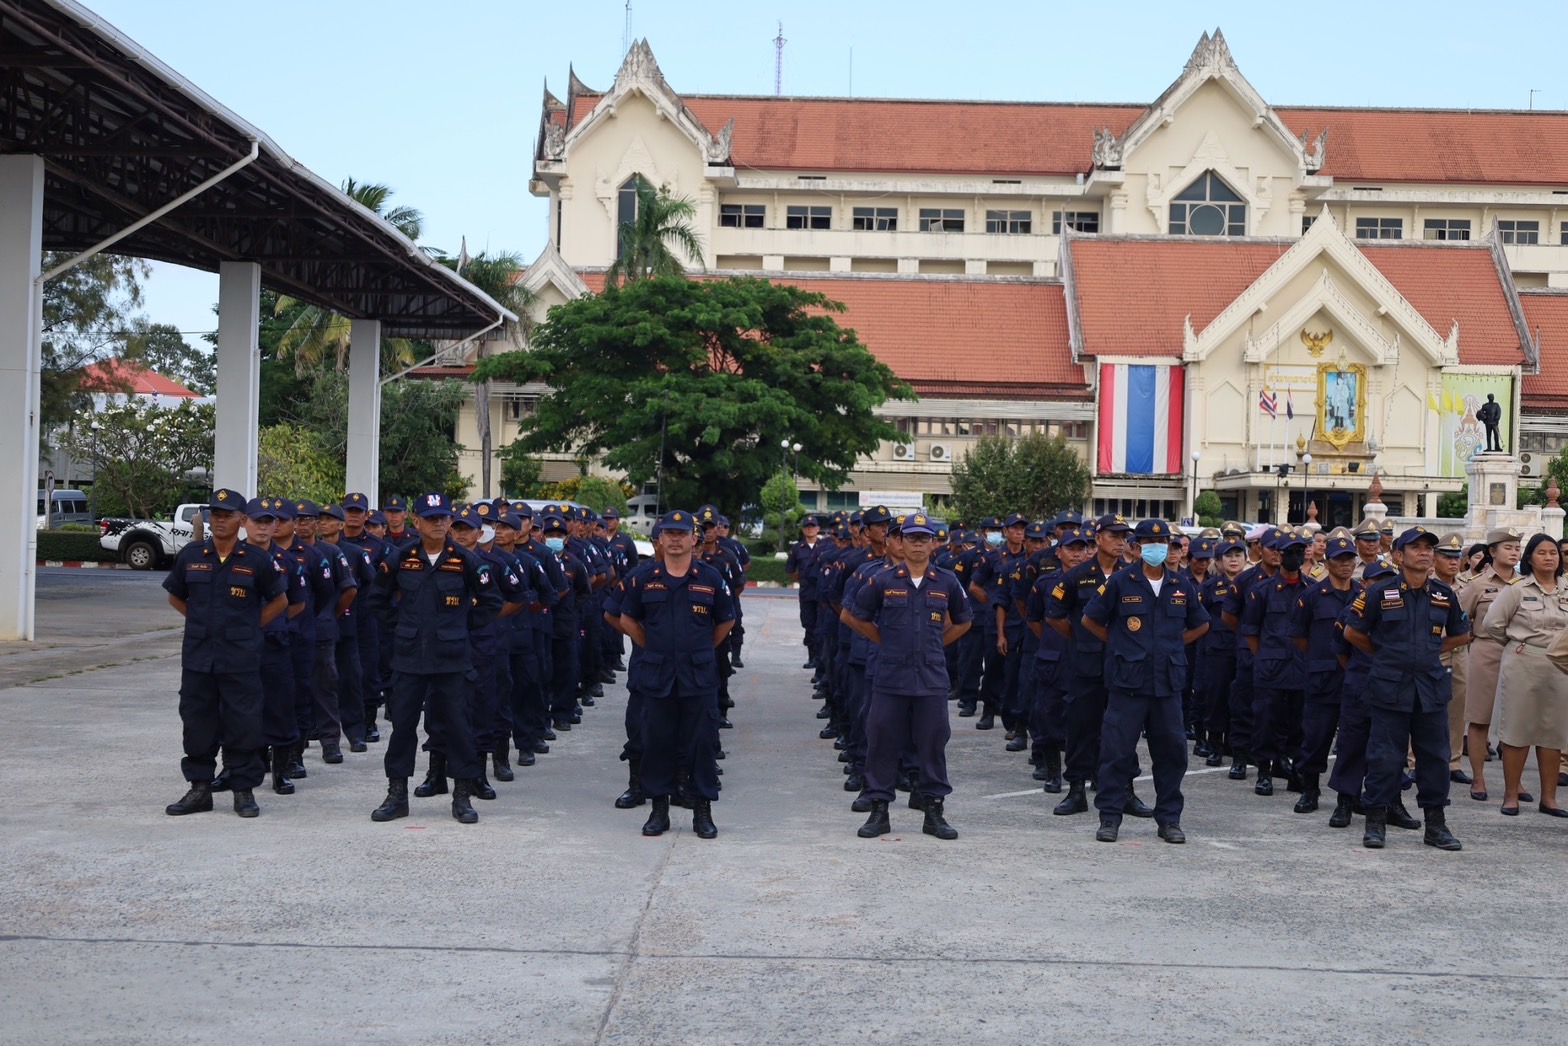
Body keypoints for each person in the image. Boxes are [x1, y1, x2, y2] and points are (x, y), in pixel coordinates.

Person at [367, 493, 501, 825]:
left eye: (443, 517)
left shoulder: (466, 560)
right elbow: (377, 598)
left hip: (451, 659)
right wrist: (402, 626)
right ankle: (397, 794)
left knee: (458, 726)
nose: (439, 523)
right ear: (417, 521)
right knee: (402, 727)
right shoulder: (401, 557)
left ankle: (462, 796)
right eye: (431, 518)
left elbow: (491, 602)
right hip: (409, 658)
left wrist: (461, 628)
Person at [161, 489, 290, 818]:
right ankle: (199, 788)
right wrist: (201, 622)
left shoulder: (256, 560)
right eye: (215, 514)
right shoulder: (192, 555)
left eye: (227, 515)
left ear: (241, 520)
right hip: (199, 657)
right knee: (197, 722)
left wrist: (250, 626)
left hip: (240, 658)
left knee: (243, 722)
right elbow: (175, 596)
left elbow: (280, 601)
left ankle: (243, 790)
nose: (220, 520)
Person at [844, 512, 973, 840]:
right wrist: (883, 641)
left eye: (923, 538)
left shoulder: (946, 581)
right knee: (881, 741)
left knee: (933, 742)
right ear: (901, 541)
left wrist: (937, 644)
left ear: (933, 544)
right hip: (890, 676)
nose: (917, 544)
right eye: (911, 538)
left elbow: (963, 620)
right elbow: (854, 616)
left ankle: (933, 812)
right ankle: (879, 810)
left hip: (931, 678)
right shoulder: (883, 580)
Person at [1081, 519, 1210, 844]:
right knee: (1116, 753)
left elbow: (1201, 624)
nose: (1157, 548)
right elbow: (1090, 619)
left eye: (1163, 542)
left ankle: (1169, 819)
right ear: (1136, 548)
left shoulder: (1181, 585)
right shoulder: (1120, 582)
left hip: (1167, 685)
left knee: (1172, 754)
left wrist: (1174, 645)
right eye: (1150, 543)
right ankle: (1110, 817)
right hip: (1128, 684)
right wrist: (1119, 644)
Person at [1342, 526, 1469, 851]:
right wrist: (1385, 654)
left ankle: (1436, 825)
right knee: (1384, 757)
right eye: (1416, 547)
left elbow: (1461, 633)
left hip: (1430, 687)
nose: (1424, 552)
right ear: (1399, 555)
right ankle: (1375, 821)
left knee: (1435, 757)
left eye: (1429, 548)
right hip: (1390, 686)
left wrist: (1431, 651)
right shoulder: (1379, 593)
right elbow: (1353, 633)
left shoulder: (1443, 594)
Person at [618, 510, 735, 839]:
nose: (675, 539)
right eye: (669, 533)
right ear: (660, 538)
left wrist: (702, 649)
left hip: (698, 676)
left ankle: (702, 811)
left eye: (681, 533)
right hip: (657, 676)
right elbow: (626, 618)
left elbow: (726, 620)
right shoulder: (645, 577)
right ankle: (659, 810)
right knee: (657, 742)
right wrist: (650, 646)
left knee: (701, 743)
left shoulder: (710, 578)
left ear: (693, 538)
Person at [1482, 533, 1568, 816]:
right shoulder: (1517, 589)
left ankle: (1549, 799)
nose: (1549, 557)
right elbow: (1492, 624)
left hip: (1559, 667)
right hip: (1523, 662)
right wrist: (1516, 644)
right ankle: (1511, 796)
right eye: (1542, 552)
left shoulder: (1566, 588)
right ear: (1529, 558)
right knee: (1517, 731)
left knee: (1553, 733)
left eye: (1553, 552)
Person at [1288, 533, 1359, 813]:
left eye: (1349, 559)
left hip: (1354, 677)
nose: (1346, 564)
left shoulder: (1364, 594)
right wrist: (1320, 658)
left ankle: (1347, 796)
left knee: (1352, 740)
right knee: (1316, 736)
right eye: (1339, 560)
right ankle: (1310, 789)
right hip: (1322, 676)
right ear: (1327, 563)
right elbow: (1299, 636)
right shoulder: (1312, 595)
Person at [1458, 528, 1523, 800]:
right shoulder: (1477, 584)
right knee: (1479, 718)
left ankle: (1516, 783)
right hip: (1486, 652)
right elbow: (1460, 619)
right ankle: (1478, 778)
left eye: (1517, 548)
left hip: (1518, 655)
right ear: (1492, 552)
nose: (1514, 552)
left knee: (1517, 721)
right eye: (1508, 547)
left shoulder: (1525, 584)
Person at [1432, 533, 1472, 785]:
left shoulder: (1468, 586)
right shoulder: (1425, 583)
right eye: (1447, 557)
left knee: (1457, 711)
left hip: (1460, 652)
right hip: (1434, 652)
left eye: (1456, 557)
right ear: (1435, 558)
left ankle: (1453, 762)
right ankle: (1415, 762)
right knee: (1425, 708)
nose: (1453, 562)